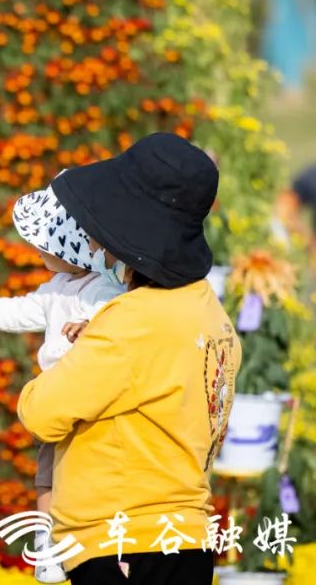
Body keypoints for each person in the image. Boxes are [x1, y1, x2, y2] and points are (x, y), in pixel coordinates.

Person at [17, 133, 240, 585]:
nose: (94, 242)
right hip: (186, 540)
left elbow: (40, 412)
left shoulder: (132, 322)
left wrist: (70, 352)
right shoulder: (208, 312)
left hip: (123, 546)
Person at [0, 176, 126, 584]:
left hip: (93, 401)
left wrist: (90, 327)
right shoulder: (55, 289)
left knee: (100, 478)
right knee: (48, 475)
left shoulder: (108, 291)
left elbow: (120, 327)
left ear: (75, 243)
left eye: (47, 244)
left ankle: (111, 544)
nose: (39, 251)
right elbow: (17, 312)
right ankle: (48, 544)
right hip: (56, 399)